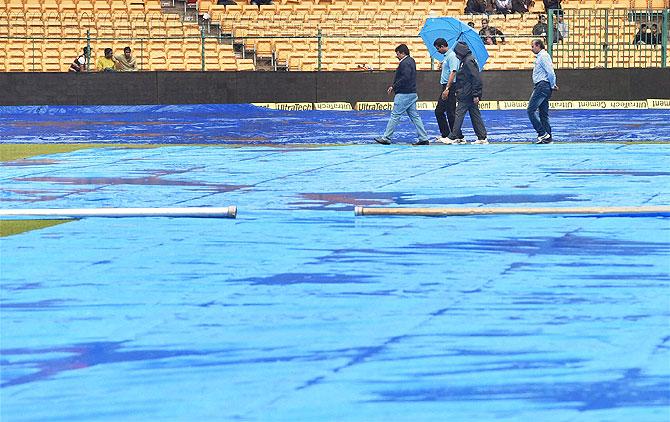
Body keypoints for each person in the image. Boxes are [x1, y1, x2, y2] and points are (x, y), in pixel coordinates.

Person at [375, 44, 430, 146]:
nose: (397, 56)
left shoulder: (404, 63)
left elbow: (405, 77)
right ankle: (423, 138)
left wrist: (394, 86)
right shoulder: (411, 61)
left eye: (398, 54)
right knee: (415, 116)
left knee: (395, 115)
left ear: (402, 53)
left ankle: (386, 137)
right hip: (411, 93)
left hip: (404, 94)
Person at [445, 42, 488, 145]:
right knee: (475, 115)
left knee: (459, 114)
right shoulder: (466, 60)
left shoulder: (468, 61)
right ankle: (482, 137)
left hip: (467, 93)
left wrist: (476, 94)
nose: (455, 55)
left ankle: (453, 136)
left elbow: (476, 78)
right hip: (467, 92)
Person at [527, 39, 558, 144]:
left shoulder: (543, 56)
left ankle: (542, 133)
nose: (532, 49)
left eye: (533, 46)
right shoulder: (542, 56)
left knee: (530, 110)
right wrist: (552, 84)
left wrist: (552, 84)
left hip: (542, 86)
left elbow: (550, 71)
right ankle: (548, 137)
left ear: (538, 45)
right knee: (543, 114)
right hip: (545, 86)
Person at [433, 38, 459, 143]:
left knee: (450, 112)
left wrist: (447, 88)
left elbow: (453, 72)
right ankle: (447, 134)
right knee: (440, 111)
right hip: (446, 86)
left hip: (450, 87)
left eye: (438, 48)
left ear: (442, 46)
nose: (437, 51)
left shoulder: (452, 56)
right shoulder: (447, 57)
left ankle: (455, 136)